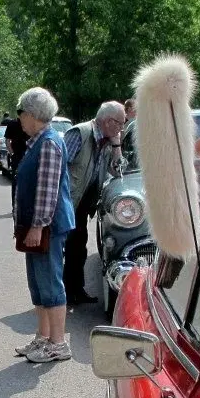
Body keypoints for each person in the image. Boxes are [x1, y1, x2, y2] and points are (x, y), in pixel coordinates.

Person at [12, 87, 75, 363]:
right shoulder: (37, 141)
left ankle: (58, 344)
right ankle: (43, 338)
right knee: (38, 284)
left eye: (21, 113)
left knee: (50, 282)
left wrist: (37, 225)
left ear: (32, 114)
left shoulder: (48, 142)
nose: (20, 119)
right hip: (36, 225)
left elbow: (48, 190)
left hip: (46, 225)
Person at [62, 100, 126, 305]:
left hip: (81, 205)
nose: (121, 128)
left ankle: (75, 290)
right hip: (65, 202)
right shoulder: (79, 134)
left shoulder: (107, 142)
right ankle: (59, 295)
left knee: (78, 248)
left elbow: (118, 172)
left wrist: (117, 146)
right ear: (107, 121)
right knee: (61, 249)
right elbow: (58, 168)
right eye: (120, 123)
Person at [4, 108, 28, 203]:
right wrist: (12, 153)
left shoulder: (29, 124)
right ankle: (15, 204)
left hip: (27, 154)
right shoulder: (12, 123)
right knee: (16, 179)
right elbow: (7, 140)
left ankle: (22, 202)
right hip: (17, 155)